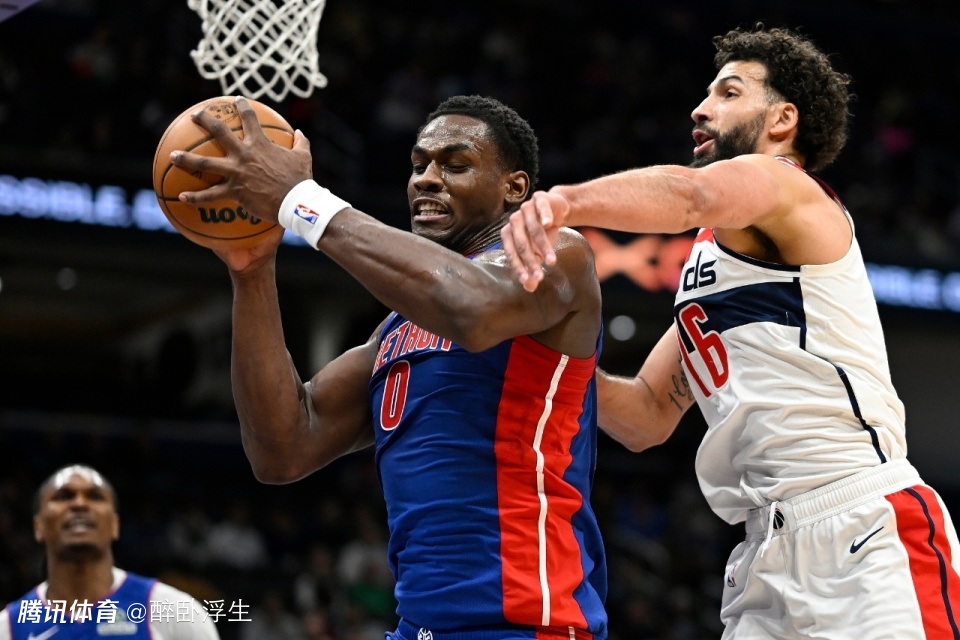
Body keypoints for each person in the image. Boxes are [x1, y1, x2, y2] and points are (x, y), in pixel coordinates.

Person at [499, 23, 960, 639]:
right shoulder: (708, 265)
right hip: (762, 555)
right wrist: (539, 351)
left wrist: (564, 202)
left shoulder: (787, 186)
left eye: (729, 92)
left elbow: (691, 195)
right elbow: (645, 416)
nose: (701, 107)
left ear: (783, 119)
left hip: (862, 525)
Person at [169, 94, 608, 640]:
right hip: (418, 627)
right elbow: (283, 448)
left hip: (528, 624)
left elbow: (472, 310)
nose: (427, 178)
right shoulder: (395, 330)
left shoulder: (557, 253)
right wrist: (252, 270)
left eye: (455, 165)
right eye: (419, 164)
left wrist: (302, 200)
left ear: (513, 188)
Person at [0, 464, 221, 640]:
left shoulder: (175, 611)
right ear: (37, 526)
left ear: (115, 525)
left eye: (95, 497)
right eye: (64, 496)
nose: (79, 504)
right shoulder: (7, 627)